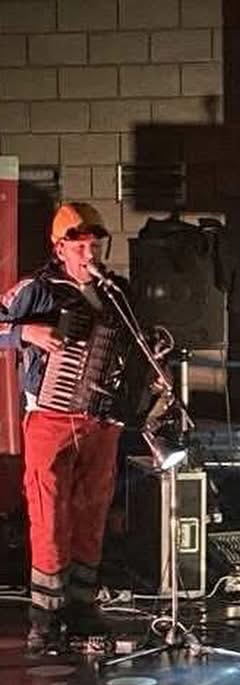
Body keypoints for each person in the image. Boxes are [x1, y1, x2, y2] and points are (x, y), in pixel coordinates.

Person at [0, 202, 128, 653]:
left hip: (102, 420)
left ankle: (82, 606)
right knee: (49, 514)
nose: (89, 255)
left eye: (94, 246)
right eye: (80, 247)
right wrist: (24, 334)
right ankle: (45, 616)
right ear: (59, 248)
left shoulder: (116, 292)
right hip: (51, 417)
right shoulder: (36, 289)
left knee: (92, 514)